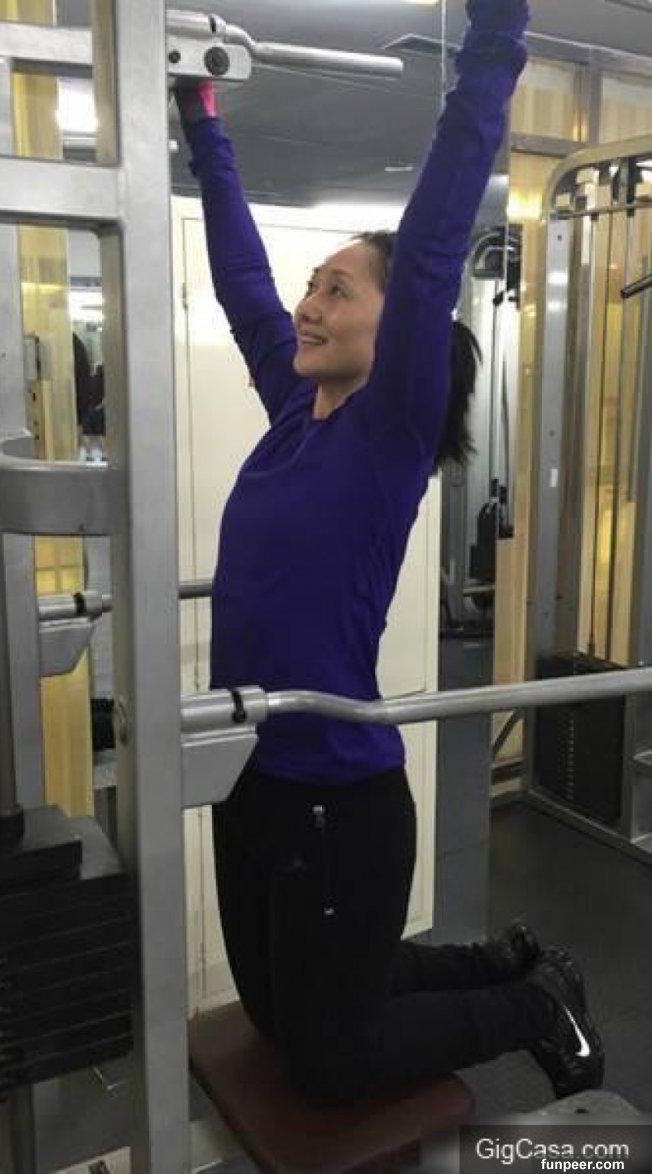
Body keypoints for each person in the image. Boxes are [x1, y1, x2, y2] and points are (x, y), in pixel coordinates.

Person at [176, 0, 605, 1107]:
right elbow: (238, 279)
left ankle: (532, 1008)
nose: (309, 304)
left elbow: (429, 249)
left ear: (392, 328)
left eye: (337, 289)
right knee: (278, 1015)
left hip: (336, 793)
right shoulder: (293, 412)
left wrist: (496, 38)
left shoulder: (387, 434)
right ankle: (505, 962)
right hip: (250, 777)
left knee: (330, 1056)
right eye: (312, 285)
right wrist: (200, 115)